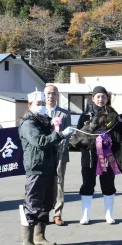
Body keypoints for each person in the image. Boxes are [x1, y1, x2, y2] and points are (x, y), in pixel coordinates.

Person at [18, 89, 74, 245]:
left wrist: (55, 128)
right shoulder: (28, 123)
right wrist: (60, 134)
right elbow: (40, 141)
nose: (42, 106)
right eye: (39, 104)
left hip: (49, 167)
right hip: (36, 168)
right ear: (30, 105)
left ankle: (39, 236)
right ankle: (26, 242)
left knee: (46, 203)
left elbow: (51, 140)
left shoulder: (45, 121)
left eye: (43, 104)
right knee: (32, 204)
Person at [77, 86, 117, 225]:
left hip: (107, 155)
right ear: (93, 98)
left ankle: (109, 215)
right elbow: (79, 134)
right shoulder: (85, 115)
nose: (101, 99)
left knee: (108, 184)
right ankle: (86, 215)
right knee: (88, 184)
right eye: (98, 96)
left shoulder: (112, 115)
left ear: (107, 99)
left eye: (104, 97)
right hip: (88, 155)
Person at [44, 85, 72, 226]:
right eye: (48, 93)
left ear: (57, 96)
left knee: (59, 182)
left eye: (53, 93)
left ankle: (57, 213)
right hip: (43, 153)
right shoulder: (39, 112)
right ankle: (44, 213)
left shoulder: (65, 114)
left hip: (60, 153)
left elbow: (67, 136)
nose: (51, 96)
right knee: (44, 182)